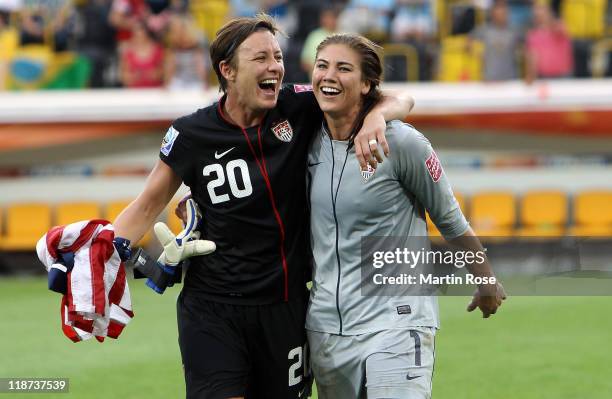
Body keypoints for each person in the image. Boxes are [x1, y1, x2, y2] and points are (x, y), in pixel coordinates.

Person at [112, 14, 414, 399]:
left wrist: (375, 116)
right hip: (213, 307)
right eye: (260, 58)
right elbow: (145, 205)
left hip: (285, 306)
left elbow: (398, 98)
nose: (274, 66)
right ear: (228, 70)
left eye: (277, 56)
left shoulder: (300, 105)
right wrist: (104, 251)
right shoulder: (191, 133)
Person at [305, 33, 507, 398]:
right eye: (322, 66)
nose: (328, 75)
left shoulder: (403, 144)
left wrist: (486, 279)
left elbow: (449, 218)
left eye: (343, 68)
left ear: (367, 85)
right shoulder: (304, 140)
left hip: (396, 321)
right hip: (326, 332)